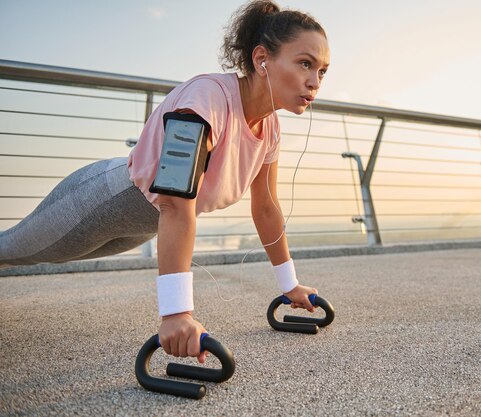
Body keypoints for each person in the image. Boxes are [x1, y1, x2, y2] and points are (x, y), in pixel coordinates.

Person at [0, 0, 330, 364]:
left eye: (322, 71)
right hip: (103, 199)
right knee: (12, 251)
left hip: (143, 225)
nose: (314, 81)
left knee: (42, 258)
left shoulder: (269, 128)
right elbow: (174, 200)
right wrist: (176, 314)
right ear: (261, 59)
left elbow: (266, 206)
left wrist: (289, 286)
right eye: (305, 64)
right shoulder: (205, 100)